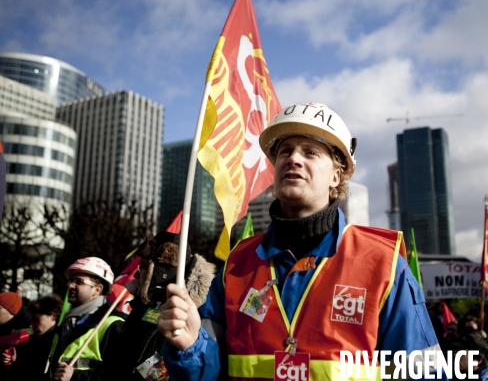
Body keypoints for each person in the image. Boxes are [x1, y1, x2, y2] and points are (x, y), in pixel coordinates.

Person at [157, 103, 445, 380]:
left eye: (310, 152)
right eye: (285, 151)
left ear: (336, 175)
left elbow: (422, 374)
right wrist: (191, 344)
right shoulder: (237, 264)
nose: (293, 158)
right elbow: (209, 371)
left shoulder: (384, 264)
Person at [107, 231, 216, 380]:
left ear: (162, 270)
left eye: (143, 267)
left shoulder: (196, 314)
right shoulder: (144, 305)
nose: (137, 275)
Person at [49, 257, 126, 381]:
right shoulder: (68, 321)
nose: (71, 286)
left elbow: (117, 375)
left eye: (79, 282)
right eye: (71, 281)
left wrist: (74, 377)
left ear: (97, 290)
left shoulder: (114, 324)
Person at [4, 295, 63, 380]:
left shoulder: (61, 341)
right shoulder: (32, 340)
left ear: (53, 315)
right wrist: (15, 361)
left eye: (36, 320)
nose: (31, 325)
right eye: (30, 320)